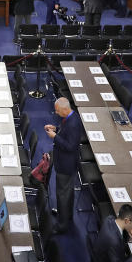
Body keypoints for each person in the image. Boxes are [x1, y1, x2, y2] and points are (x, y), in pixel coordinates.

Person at [45, 97, 81, 233]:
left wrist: (55, 137)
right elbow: (66, 133)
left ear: (65, 109)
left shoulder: (73, 123)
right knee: (67, 193)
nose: (56, 113)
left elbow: (70, 146)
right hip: (66, 162)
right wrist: (56, 129)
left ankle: (62, 225)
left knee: (62, 195)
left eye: (57, 111)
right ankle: (65, 215)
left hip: (66, 164)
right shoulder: (71, 117)